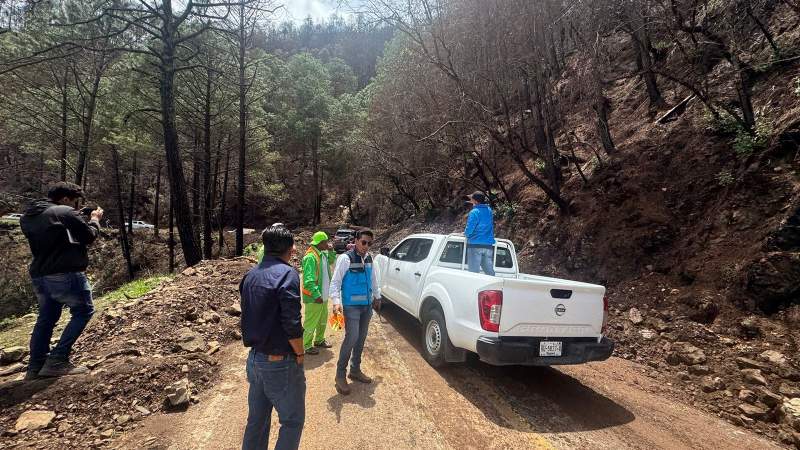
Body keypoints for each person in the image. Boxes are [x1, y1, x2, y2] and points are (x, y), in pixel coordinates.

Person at [20, 182, 103, 379]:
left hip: (40, 274)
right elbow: (89, 237)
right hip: (65, 272)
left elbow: (58, 235)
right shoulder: (65, 212)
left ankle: (35, 366)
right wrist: (94, 220)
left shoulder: (28, 217)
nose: (75, 206)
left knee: (46, 318)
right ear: (65, 199)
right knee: (84, 311)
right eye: (74, 202)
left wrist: (76, 217)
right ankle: (57, 359)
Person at [240, 226, 305, 450]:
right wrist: (300, 353)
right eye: (293, 245)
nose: (295, 249)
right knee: (292, 421)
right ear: (288, 248)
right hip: (279, 362)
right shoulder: (288, 274)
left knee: (256, 422)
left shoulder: (250, 275)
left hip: (255, 360)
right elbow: (292, 323)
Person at [330, 229, 380, 395]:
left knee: (361, 338)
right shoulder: (345, 259)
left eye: (369, 243)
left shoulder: (370, 259)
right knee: (351, 338)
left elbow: (373, 280)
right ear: (356, 241)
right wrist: (336, 302)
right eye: (364, 242)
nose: (366, 246)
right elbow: (335, 283)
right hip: (351, 306)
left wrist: (377, 297)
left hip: (366, 306)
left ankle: (355, 370)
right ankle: (339, 375)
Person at [301, 231, 335, 355]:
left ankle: (319, 340)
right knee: (311, 322)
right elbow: (308, 281)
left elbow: (331, 261)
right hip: (315, 297)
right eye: (326, 241)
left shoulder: (322, 254)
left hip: (323, 296)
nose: (328, 243)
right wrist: (316, 295)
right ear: (320, 243)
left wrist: (331, 251)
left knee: (322, 320)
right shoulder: (311, 257)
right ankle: (307, 345)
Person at [464, 191, 496, 276]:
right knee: (490, 273)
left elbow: (470, 228)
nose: (471, 201)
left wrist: (466, 234)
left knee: (473, 274)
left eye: (472, 199)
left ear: (475, 201)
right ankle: (493, 286)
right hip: (488, 246)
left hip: (475, 245)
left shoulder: (474, 212)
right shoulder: (489, 211)